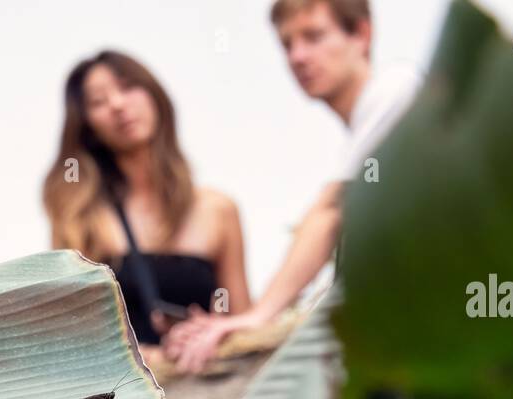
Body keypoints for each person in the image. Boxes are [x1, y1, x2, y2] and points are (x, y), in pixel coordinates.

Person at [166, 0, 422, 373]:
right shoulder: (365, 131)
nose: (298, 56)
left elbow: (331, 211)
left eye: (314, 37)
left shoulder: (396, 89)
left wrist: (257, 317)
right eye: (287, 44)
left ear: (362, 34)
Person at [42, 50, 251, 366]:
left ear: (154, 96)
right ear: (88, 127)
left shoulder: (217, 210)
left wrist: (207, 335)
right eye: (98, 102)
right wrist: (147, 358)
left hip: (207, 389)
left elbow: (243, 325)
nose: (117, 105)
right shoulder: (80, 216)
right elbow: (74, 336)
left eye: (127, 87)